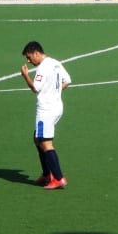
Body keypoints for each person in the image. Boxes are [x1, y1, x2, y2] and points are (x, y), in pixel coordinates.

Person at [20, 40, 72, 190]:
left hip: (46, 110)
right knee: (37, 138)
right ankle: (46, 174)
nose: (29, 61)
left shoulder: (42, 68)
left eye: (29, 57)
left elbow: (35, 88)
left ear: (36, 53)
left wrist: (25, 76)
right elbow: (68, 81)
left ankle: (58, 178)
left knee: (45, 142)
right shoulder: (55, 63)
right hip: (57, 107)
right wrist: (55, 92)